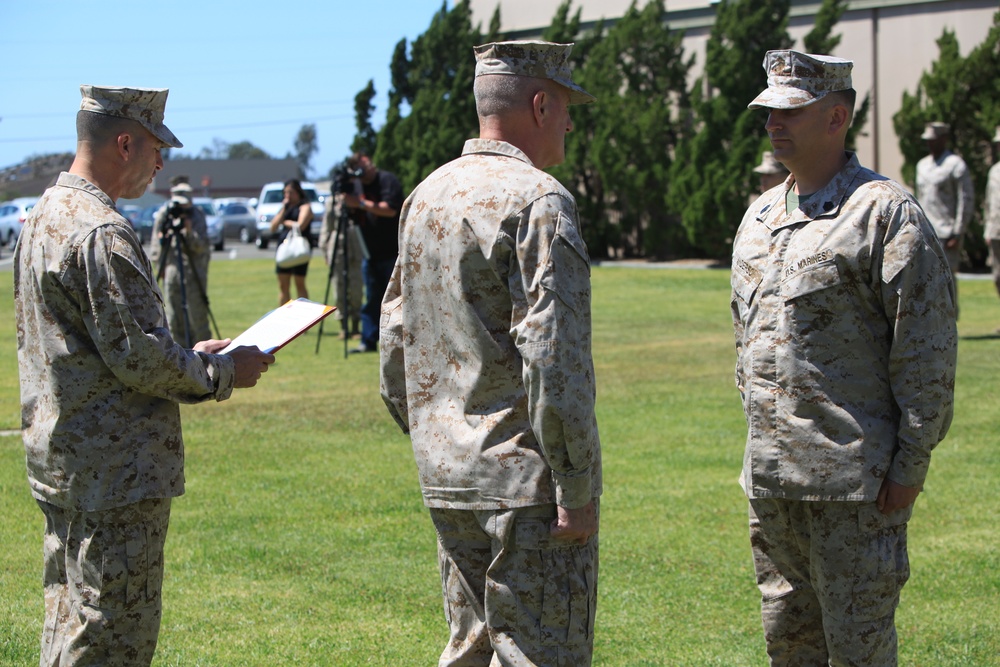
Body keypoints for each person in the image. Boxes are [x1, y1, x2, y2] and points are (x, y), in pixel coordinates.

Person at [14, 84, 276, 667]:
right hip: (114, 474)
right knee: (110, 640)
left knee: (69, 628)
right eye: (158, 147)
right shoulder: (101, 231)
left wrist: (187, 353)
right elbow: (141, 359)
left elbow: (102, 345)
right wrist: (223, 371)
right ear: (125, 142)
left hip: (67, 461)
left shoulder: (45, 214)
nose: (162, 163)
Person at [380, 41, 602, 666]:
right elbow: (554, 358)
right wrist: (577, 483)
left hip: (448, 473)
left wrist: (431, 433)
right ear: (539, 103)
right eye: (564, 108)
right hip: (523, 482)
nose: (567, 123)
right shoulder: (539, 201)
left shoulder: (426, 195)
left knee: (471, 651)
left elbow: (394, 339)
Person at [731, 51, 957, 665]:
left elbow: (926, 350)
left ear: (837, 116)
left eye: (792, 111)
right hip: (773, 482)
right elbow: (744, 338)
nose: (775, 123)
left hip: (851, 487)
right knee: (789, 647)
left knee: (859, 650)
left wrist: (910, 464)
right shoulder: (758, 217)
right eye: (769, 111)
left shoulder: (886, 215)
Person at [342, 153, 403, 353]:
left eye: (369, 164)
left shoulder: (387, 180)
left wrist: (359, 203)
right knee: (371, 300)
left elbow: (390, 209)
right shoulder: (356, 187)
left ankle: (398, 342)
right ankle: (368, 341)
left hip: (392, 251)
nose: (370, 168)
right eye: (364, 167)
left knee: (396, 300)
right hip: (370, 253)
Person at [916, 121, 974, 313]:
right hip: (925, 230)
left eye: (933, 139)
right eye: (927, 140)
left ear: (944, 139)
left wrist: (958, 232)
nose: (929, 144)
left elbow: (965, 199)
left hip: (946, 232)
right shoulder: (922, 165)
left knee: (945, 278)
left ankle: (949, 320)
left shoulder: (955, 165)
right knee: (924, 279)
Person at [153, 176, 212, 346]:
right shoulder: (165, 214)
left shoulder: (197, 215)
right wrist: (159, 265)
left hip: (193, 272)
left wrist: (188, 230)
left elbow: (201, 247)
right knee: (172, 317)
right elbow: (157, 244)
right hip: (172, 269)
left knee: (197, 316)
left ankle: (206, 354)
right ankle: (179, 354)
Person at [318, 192, 363, 338]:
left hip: (355, 247)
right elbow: (327, 227)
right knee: (338, 288)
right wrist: (325, 250)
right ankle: (343, 325)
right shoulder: (332, 201)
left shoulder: (358, 196)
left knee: (356, 288)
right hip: (337, 248)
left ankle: (356, 324)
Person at [269, 178, 314, 306]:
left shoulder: (305, 206)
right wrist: (284, 209)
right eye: (285, 193)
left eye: (290, 192)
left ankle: (304, 318)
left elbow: (300, 225)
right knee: (283, 286)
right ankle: (284, 318)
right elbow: (272, 227)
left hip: (299, 250)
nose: (287, 196)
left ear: (298, 192)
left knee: (300, 283)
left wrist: (285, 222)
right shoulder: (285, 208)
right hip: (284, 249)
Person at [984, 125, 1000, 322]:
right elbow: (989, 202)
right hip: (996, 231)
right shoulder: (994, 171)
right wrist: (987, 229)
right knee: (997, 277)